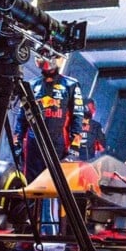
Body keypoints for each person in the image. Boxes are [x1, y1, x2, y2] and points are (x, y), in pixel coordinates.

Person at [14, 56, 84, 237]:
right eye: (41, 55)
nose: (45, 59)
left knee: (57, 188)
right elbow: (21, 118)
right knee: (31, 187)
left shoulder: (71, 84)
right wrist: (17, 142)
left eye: (50, 55)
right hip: (33, 144)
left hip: (59, 144)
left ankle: (56, 233)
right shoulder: (30, 85)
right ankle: (30, 233)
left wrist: (75, 147)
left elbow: (78, 116)